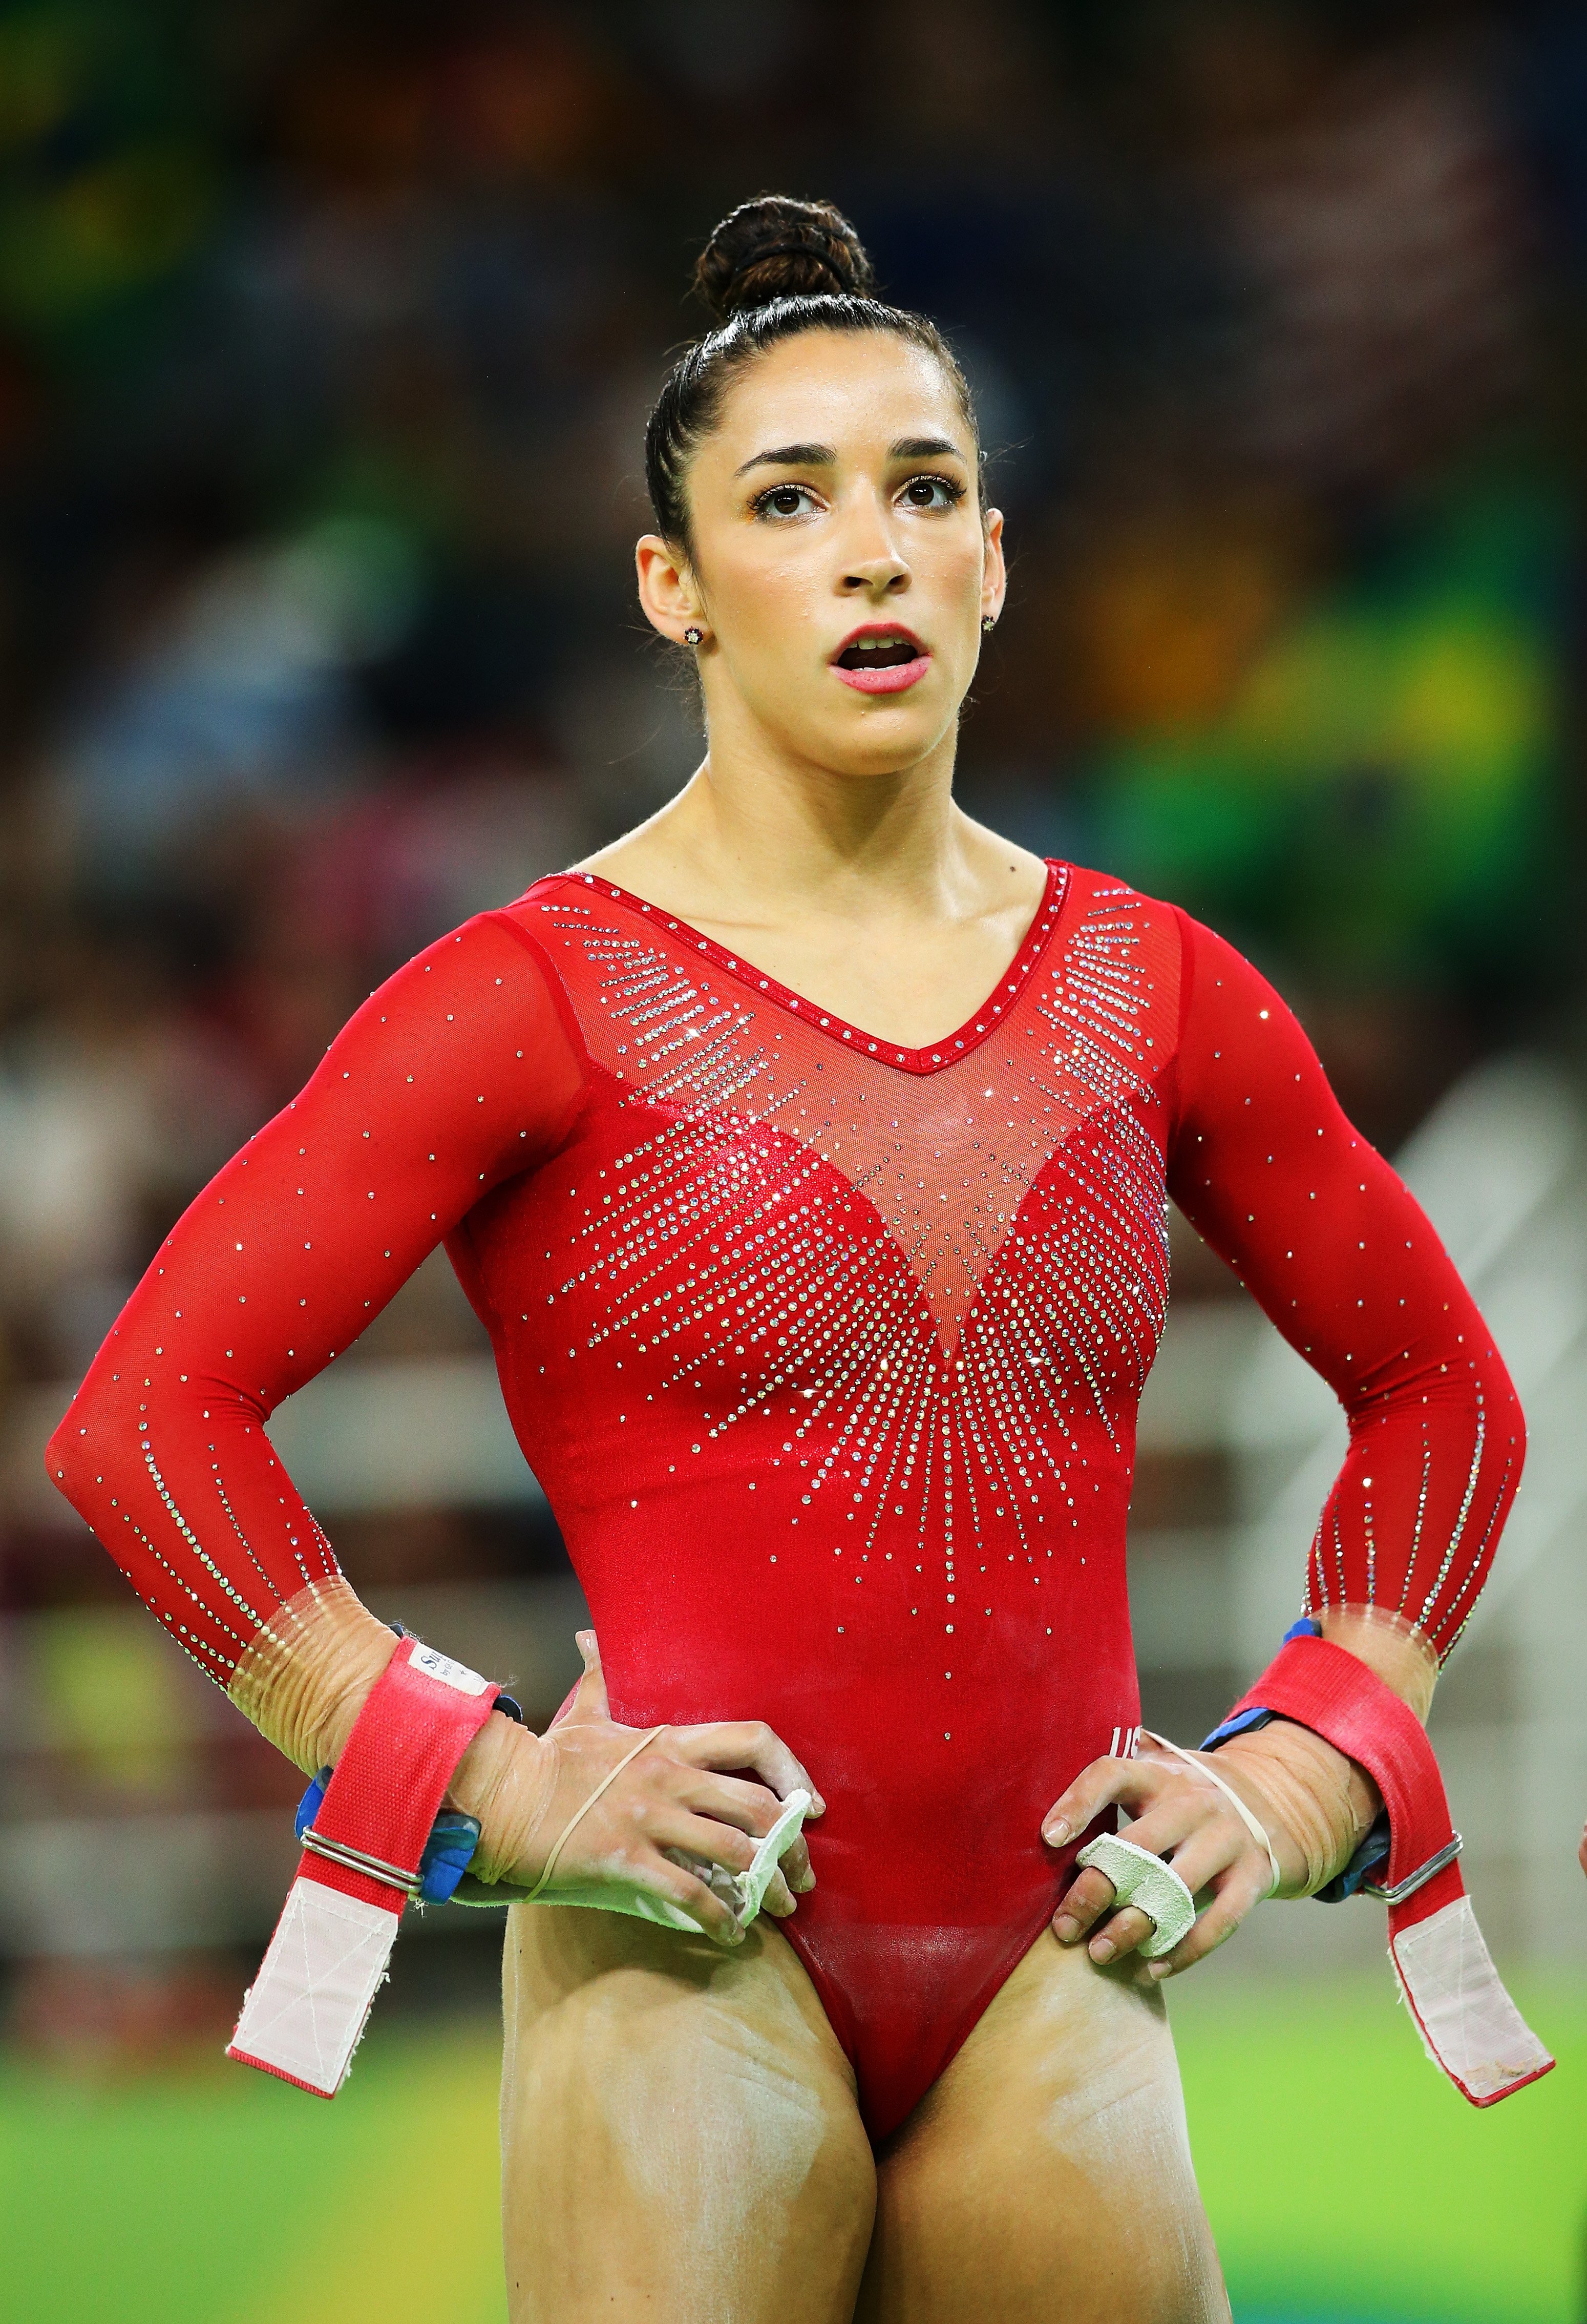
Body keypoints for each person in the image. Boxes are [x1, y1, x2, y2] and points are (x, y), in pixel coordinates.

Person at [48, 197, 1523, 2323]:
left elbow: (1444, 1401)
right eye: (788, 498)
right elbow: (144, 1423)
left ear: (994, 563)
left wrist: (1305, 1765)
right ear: (674, 586)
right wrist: (485, 1777)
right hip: (687, 1963)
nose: (871, 547)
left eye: (926, 489)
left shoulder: (1161, 985)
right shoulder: (523, 994)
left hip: (1059, 1969)